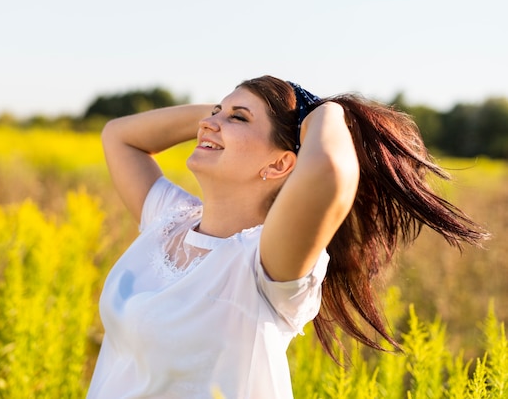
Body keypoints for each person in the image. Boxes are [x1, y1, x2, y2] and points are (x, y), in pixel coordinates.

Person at [86, 75, 488, 398]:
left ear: (280, 163)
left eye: (238, 118)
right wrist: (223, 114)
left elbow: (328, 170)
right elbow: (120, 136)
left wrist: (324, 110)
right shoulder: (170, 221)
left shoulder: (263, 265)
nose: (207, 124)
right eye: (214, 112)